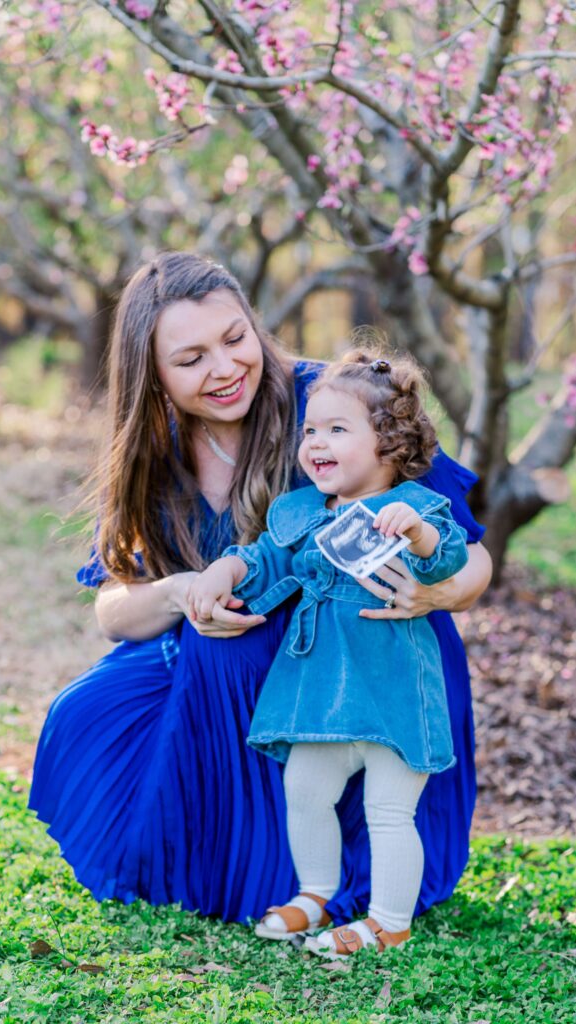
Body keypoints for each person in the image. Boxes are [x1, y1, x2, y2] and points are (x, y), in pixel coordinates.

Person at [28, 251, 491, 926]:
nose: (224, 368)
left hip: (365, 665)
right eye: (190, 359)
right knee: (91, 708)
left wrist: (432, 594)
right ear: (150, 372)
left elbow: (471, 560)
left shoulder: (333, 402)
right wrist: (184, 590)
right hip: (227, 665)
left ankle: (289, 874)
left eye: (234, 337)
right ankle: (222, 859)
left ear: (254, 323)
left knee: (226, 652)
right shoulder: (154, 450)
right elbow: (114, 611)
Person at [188, 351, 469, 957]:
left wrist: (417, 534)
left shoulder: (416, 507)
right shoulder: (304, 513)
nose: (315, 442)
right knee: (305, 789)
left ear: (389, 444)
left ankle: (389, 922)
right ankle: (315, 891)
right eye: (311, 430)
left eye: (337, 430)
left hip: (392, 687)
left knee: (389, 809)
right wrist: (226, 566)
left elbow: (446, 557)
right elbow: (268, 561)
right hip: (320, 692)